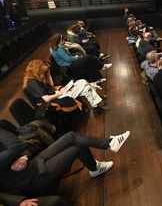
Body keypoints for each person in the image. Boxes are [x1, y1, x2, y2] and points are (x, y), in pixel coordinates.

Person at [0, 128, 130, 205]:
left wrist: (24, 157)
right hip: (33, 180)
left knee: (71, 136)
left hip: (34, 163)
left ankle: (111, 143)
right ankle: (95, 168)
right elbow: (16, 146)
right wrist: (19, 202)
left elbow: (23, 146)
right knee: (78, 147)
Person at [23, 60, 107, 114]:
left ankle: (96, 107)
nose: (45, 71)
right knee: (83, 83)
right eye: (44, 70)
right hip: (54, 100)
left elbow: (51, 87)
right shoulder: (32, 82)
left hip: (56, 95)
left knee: (83, 84)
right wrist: (59, 93)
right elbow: (46, 99)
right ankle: (96, 107)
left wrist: (48, 74)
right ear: (37, 69)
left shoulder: (35, 79)